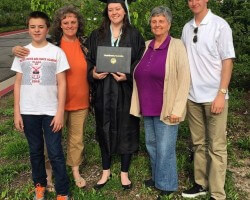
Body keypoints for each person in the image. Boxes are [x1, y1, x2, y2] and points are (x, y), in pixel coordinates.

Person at [12, 5, 89, 189]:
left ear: (79, 24)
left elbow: (98, 62)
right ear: (59, 25)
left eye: (73, 22)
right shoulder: (54, 45)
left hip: (79, 99)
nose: (70, 25)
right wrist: (16, 48)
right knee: (50, 145)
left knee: (76, 139)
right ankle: (47, 175)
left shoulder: (86, 44)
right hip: (53, 103)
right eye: (66, 22)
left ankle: (75, 171)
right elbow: (35, 46)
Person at [130, 6, 190, 200]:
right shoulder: (146, 45)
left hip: (168, 106)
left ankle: (167, 184)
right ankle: (157, 177)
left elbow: (184, 79)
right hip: (147, 105)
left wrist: (178, 108)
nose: (157, 24)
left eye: (161, 21)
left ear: (169, 24)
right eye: (154, 21)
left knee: (165, 147)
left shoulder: (177, 46)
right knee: (152, 144)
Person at [86, 0, 145, 190]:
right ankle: (105, 170)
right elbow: (88, 60)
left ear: (125, 11)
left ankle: (124, 172)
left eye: (117, 9)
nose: (114, 12)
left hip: (125, 90)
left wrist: (128, 76)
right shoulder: (97, 35)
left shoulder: (134, 35)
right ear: (107, 12)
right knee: (103, 126)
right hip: (103, 89)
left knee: (127, 126)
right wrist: (92, 74)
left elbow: (140, 61)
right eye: (110, 9)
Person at [12, 11, 69, 200]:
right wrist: (17, 112)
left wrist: (60, 112)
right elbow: (18, 83)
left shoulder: (56, 52)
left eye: (41, 26)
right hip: (28, 111)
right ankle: (40, 186)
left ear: (47, 29)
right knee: (35, 151)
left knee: (55, 152)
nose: (37, 30)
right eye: (32, 27)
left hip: (51, 111)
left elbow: (62, 83)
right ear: (28, 29)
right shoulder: (22, 53)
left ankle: (62, 191)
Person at [181, 0, 235, 200]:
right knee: (198, 143)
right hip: (192, 96)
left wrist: (222, 93)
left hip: (214, 96)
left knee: (217, 146)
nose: (194, 2)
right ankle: (200, 184)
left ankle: (218, 193)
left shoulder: (220, 25)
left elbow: (227, 60)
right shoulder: (187, 28)